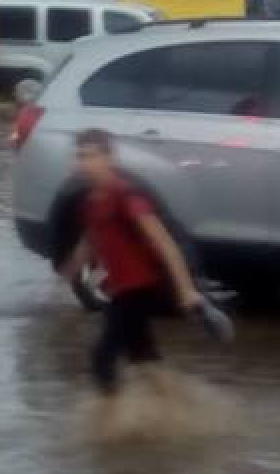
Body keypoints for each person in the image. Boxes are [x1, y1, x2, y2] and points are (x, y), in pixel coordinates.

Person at [58, 129, 208, 396]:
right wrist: (72, 268)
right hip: (120, 288)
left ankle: (111, 422)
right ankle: (178, 408)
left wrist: (186, 290)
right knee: (143, 357)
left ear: (110, 158)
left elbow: (164, 242)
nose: (83, 163)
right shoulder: (90, 202)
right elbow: (92, 237)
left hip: (141, 287)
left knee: (102, 358)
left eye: (91, 156)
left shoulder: (127, 196)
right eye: (79, 157)